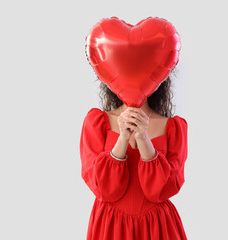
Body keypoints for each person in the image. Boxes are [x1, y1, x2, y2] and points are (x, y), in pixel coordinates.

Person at [79, 73, 188, 240]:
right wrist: (122, 138)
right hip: (110, 227)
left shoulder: (174, 127)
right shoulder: (96, 122)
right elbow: (101, 187)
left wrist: (143, 139)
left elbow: (166, 188)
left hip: (158, 227)